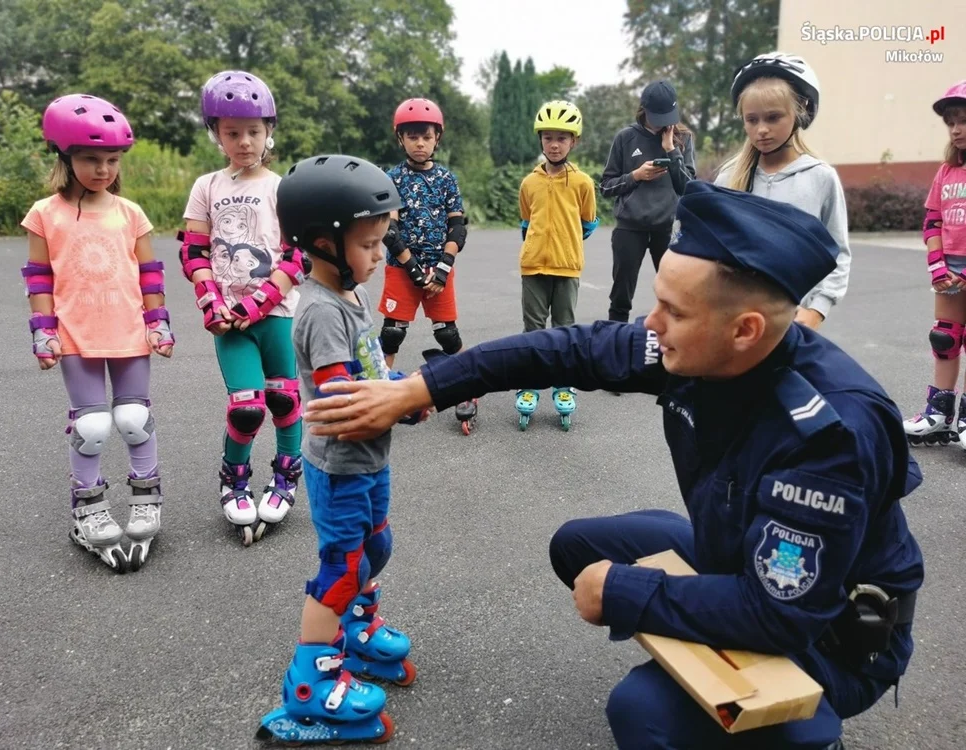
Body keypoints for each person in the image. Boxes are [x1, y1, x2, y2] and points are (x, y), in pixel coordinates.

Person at [301, 181, 924, 750]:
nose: (652, 324)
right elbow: (563, 349)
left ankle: (804, 731)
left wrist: (628, 592)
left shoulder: (827, 437)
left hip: (829, 635)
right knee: (578, 548)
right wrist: (422, 388)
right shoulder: (705, 346)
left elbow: (781, 613)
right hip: (744, 558)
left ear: (745, 330)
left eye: (674, 311)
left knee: (642, 712)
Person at [256, 155, 433, 745]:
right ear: (324, 243)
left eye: (381, 242)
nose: (381, 255)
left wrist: (404, 385)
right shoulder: (322, 312)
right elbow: (343, 399)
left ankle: (355, 631)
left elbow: (368, 372)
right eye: (369, 244)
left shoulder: (348, 296)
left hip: (368, 461)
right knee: (342, 569)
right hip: (340, 467)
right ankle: (310, 686)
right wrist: (402, 402)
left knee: (375, 546)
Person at [21, 94, 174, 573]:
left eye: (112, 159)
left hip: (129, 331)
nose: (103, 169)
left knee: (134, 418)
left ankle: (146, 499)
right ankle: (88, 507)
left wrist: (158, 321)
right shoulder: (45, 214)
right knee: (90, 426)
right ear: (65, 157)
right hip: (76, 337)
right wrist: (42, 331)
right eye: (90, 158)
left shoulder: (131, 213)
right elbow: (39, 277)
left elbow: (149, 273)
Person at [178, 70, 307, 546]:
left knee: (284, 400)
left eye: (253, 131)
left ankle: (286, 476)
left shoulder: (283, 187)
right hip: (229, 322)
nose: (244, 141)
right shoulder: (207, 186)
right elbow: (193, 252)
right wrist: (211, 301)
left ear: (269, 130)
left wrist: (257, 302)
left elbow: (296, 257)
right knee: (247, 409)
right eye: (232, 132)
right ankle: (234, 481)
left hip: (275, 314)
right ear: (217, 134)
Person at [715, 52, 851, 330]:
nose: (762, 129)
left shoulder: (820, 177)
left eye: (773, 117)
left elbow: (837, 254)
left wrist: (816, 311)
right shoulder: (728, 177)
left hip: (794, 324)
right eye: (752, 120)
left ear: (799, 112)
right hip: (734, 322)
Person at [378, 98, 477, 434]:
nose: (419, 143)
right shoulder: (391, 178)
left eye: (426, 136)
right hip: (402, 268)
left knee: (447, 334)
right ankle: (381, 394)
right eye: (412, 136)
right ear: (400, 139)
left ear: (437, 138)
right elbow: (390, 230)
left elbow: (457, 228)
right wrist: (413, 270)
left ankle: (468, 387)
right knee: (392, 333)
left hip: (438, 269)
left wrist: (444, 267)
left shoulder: (447, 179)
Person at [516, 99, 598, 430]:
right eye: (548, 137)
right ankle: (530, 383)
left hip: (567, 267)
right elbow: (526, 222)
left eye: (561, 138)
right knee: (533, 330)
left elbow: (588, 223)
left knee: (564, 329)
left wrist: (566, 244)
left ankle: (563, 385)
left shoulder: (583, 183)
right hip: (533, 266)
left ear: (573, 141)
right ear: (540, 140)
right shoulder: (529, 183)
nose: (554, 144)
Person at [600, 80, 696, 326]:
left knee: (676, 296)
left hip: (667, 228)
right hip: (630, 227)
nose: (663, 123)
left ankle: (673, 344)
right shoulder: (625, 137)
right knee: (620, 297)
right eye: (658, 117)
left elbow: (688, 188)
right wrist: (635, 176)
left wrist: (671, 150)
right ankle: (614, 341)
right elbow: (606, 187)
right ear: (644, 110)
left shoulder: (683, 138)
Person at [903, 80, 966, 446]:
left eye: (963, 121)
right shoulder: (946, 171)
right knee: (944, 337)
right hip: (950, 269)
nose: (956, 129)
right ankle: (940, 414)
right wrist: (938, 265)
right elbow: (933, 220)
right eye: (951, 122)